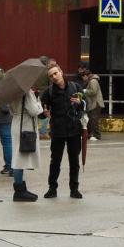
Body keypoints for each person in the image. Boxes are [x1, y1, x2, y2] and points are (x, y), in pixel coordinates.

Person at [40, 63, 85, 198]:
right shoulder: (49, 92)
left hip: (74, 130)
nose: (54, 77)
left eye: (55, 73)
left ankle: (74, 189)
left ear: (61, 71)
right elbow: (41, 110)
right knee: (55, 161)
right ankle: (52, 188)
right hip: (58, 131)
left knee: (74, 161)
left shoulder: (75, 87)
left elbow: (84, 104)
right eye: (51, 75)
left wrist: (79, 103)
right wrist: (44, 114)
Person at [10, 80, 44, 202]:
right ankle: (19, 191)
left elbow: (11, 110)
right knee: (19, 159)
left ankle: (21, 189)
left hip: (16, 124)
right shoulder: (27, 92)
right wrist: (38, 100)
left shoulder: (12, 92)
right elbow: (35, 111)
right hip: (25, 126)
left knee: (19, 157)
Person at [78, 65, 105, 141]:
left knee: (94, 119)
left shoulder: (93, 81)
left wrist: (85, 91)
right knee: (92, 119)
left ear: (86, 76)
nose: (83, 80)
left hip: (95, 103)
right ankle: (92, 134)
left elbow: (94, 91)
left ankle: (97, 135)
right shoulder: (92, 80)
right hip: (94, 103)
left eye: (83, 77)